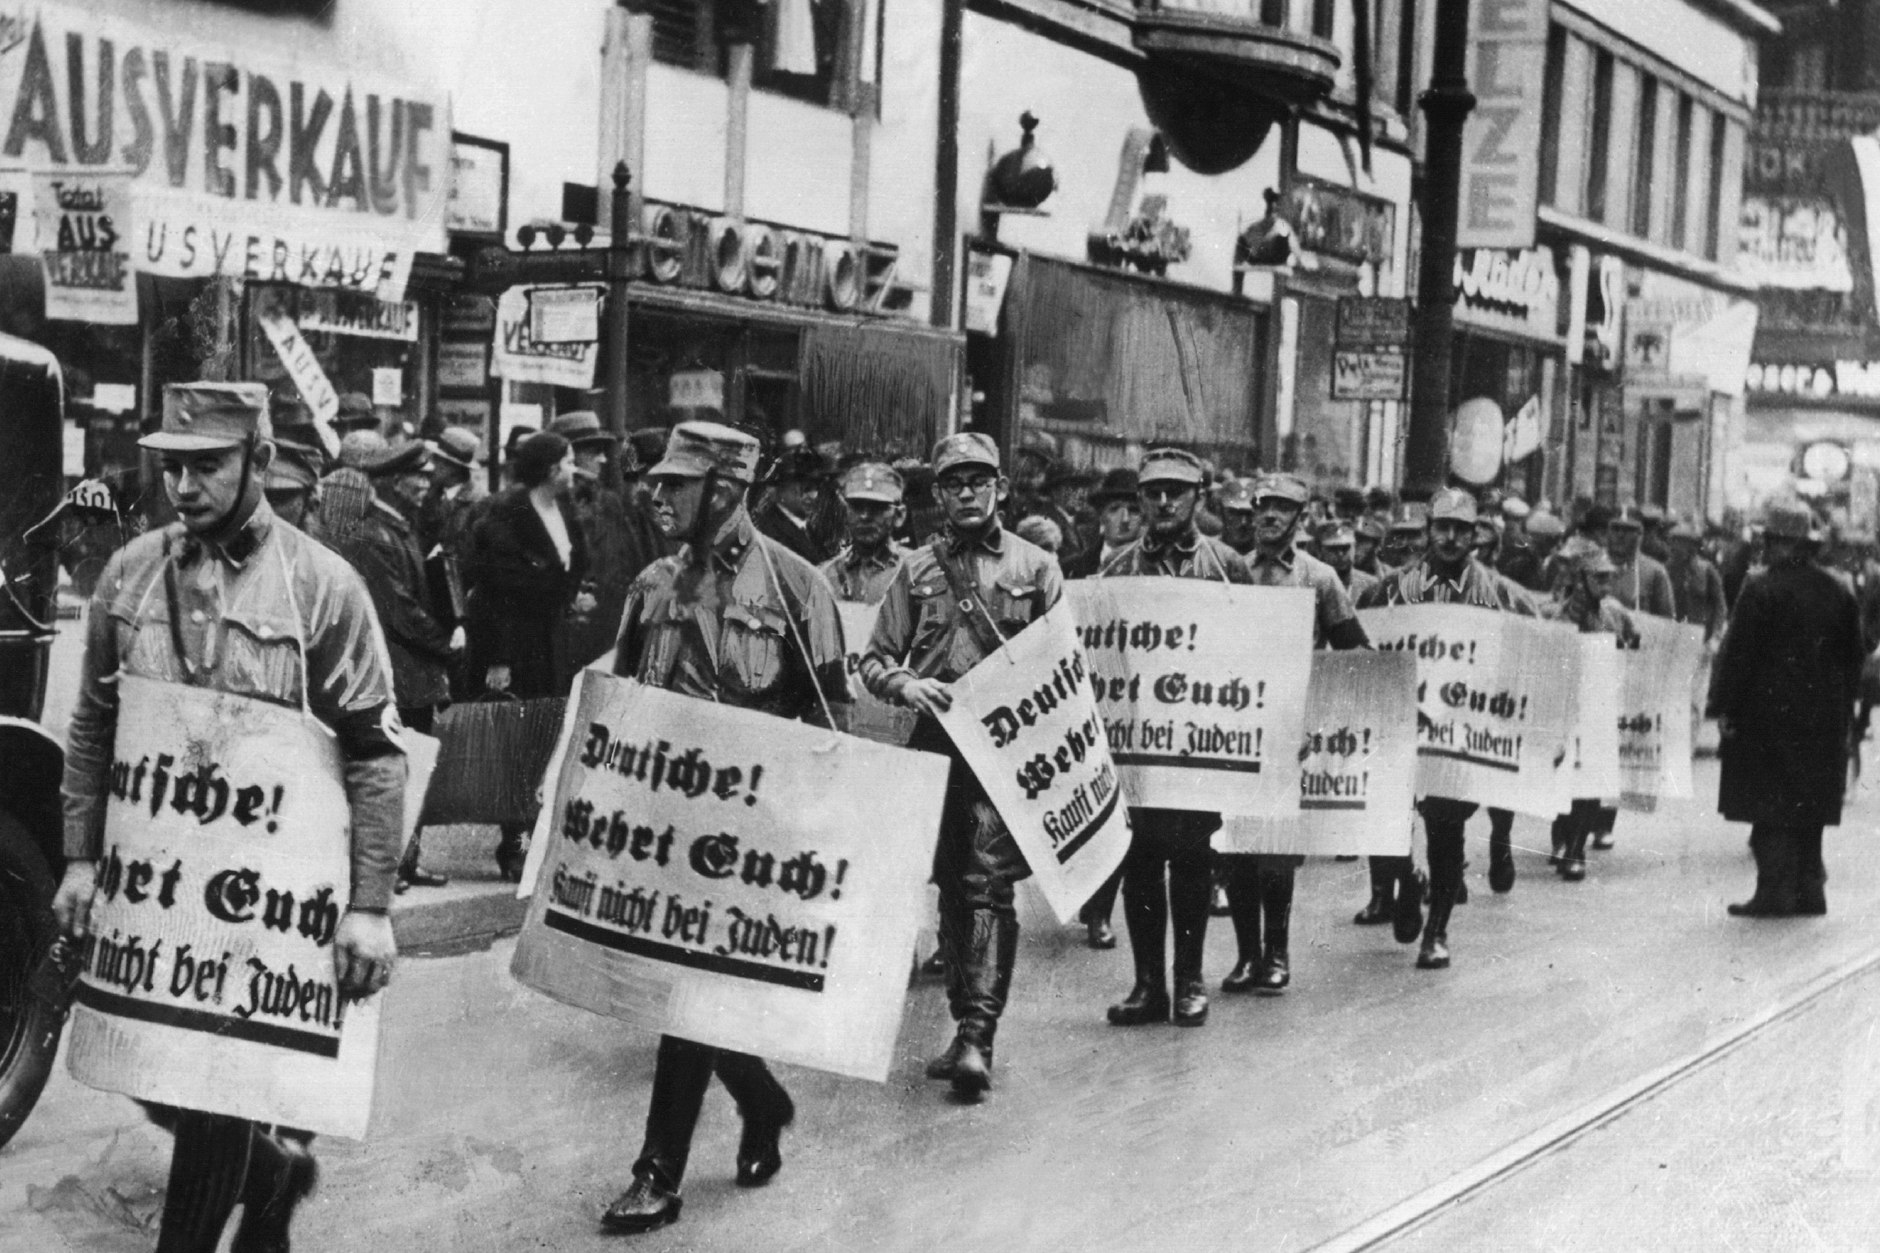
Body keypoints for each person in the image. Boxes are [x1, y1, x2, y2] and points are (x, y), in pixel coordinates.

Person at [52, 382, 403, 1253]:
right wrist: (79, 858)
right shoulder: (130, 573)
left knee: (214, 1087)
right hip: (158, 886)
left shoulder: (324, 588)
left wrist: (370, 905)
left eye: (206, 464)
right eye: (172, 465)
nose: (183, 484)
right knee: (154, 1075)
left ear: (261, 460)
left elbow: (375, 752)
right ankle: (273, 1173)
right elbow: (94, 724)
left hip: (269, 896)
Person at [600, 421, 848, 1235]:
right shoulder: (652, 585)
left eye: (676, 484)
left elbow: (828, 722)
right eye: (658, 482)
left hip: (754, 837)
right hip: (668, 829)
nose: (656, 494)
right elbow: (622, 697)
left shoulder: (797, 588)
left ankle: (658, 1172)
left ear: (728, 491)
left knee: (693, 991)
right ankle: (763, 1099)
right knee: (688, 988)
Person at [860, 433, 1062, 1098]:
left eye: (979, 480)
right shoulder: (914, 571)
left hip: (1004, 750)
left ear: (1001, 487)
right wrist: (904, 684)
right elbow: (873, 659)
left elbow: (1065, 667)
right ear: (939, 495)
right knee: (947, 882)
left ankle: (978, 1034)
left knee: (985, 883)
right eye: (954, 483)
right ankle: (963, 1025)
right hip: (934, 744)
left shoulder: (1037, 568)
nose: (968, 492)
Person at [1091, 450, 1251, 1028]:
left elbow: (1258, 654)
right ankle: (1147, 984)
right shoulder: (1116, 573)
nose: (1163, 502)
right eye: (1153, 492)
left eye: (1176, 492)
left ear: (1198, 497)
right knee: (1138, 862)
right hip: (1138, 743)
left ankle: (1189, 980)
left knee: (1190, 861)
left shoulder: (1227, 565)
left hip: (1199, 743)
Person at [1357, 488, 1538, 969]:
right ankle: (1404, 881)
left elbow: (1536, 645)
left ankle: (1436, 930)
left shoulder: (1499, 594)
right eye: (1443, 527)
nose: (1452, 537)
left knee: (1445, 830)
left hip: (1460, 734)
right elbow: (1361, 642)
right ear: (1428, 530)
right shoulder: (1393, 589)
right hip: (1401, 726)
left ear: (1476, 534)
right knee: (1389, 822)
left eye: (1461, 528)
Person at [1220, 473, 1368, 993]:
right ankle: (1244, 956)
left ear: (1299, 519)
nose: (1268, 517)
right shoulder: (1227, 569)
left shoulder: (1319, 578)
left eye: (1282, 509)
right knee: (1234, 850)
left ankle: (1277, 953)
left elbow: (1353, 651)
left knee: (1276, 855)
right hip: (1232, 727)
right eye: (1262, 507)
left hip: (1291, 731)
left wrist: (1331, 716)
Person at [1707, 501, 1864, 917]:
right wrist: (1842, 707)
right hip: (1823, 721)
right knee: (1809, 810)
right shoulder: (1839, 589)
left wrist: (1725, 708)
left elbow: (1740, 655)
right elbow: (1855, 656)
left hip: (1767, 720)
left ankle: (1774, 892)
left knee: (1770, 810)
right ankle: (1811, 891)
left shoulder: (1761, 589)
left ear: (1778, 542)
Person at [468, 432, 593, 879]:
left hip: (553, 640)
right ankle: (515, 843)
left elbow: (573, 566)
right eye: (568, 461)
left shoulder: (564, 511)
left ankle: (540, 837)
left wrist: (571, 596)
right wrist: (498, 660)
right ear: (548, 468)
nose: (574, 469)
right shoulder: (507, 514)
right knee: (518, 744)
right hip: (515, 642)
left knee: (548, 740)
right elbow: (496, 591)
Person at [350, 440, 462, 892]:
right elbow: (398, 610)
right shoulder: (374, 536)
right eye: (418, 477)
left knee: (412, 766)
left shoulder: (393, 529)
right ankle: (391, 866)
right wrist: (447, 644)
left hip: (411, 672)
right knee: (396, 770)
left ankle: (405, 861)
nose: (425, 485)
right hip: (399, 672)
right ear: (396, 482)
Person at [1541, 538, 1639, 881]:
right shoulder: (1556, 614)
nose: (1606, 585)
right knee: (1563, 777)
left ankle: (1577, 849)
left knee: (1592, 778)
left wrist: (1626, 646)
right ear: (1581, 579)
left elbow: (1635, 640)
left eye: (1608, 578)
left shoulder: (1614, 613)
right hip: (1564, 706)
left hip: (1598, 706)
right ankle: (1562, 838)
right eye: (1598, 578)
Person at [549, 410, 665, 671]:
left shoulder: (610, 502)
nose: (602, 460)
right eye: (592, 452)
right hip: (570, 630)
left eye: (603, 451)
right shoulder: (555, 504)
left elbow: (631, 563)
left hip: (608, 632)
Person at [820, 462, 909, 604]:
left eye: (877, 507)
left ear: (899, 515)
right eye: (856, 507)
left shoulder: (913, 570)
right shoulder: (826, 576)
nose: (865, 516)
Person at [754, 444, 838, 565]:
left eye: (815, 487)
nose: (813, 496)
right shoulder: (768, 531)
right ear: (779, 489)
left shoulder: (808, 530)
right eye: (803, 489)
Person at [1062, 468, 1142, 579]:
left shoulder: (1157, 568)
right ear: (1101, 515)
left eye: (1134, 510)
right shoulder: (1070, 568)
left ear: (1143, 516)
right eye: (1114, 509)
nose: (1125, 519)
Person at [1605, 507, 1676, 620]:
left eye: (1628, 530)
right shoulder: (1592, 567)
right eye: (1615, 528)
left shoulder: (1655, 572)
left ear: (1640, 534)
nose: (1620, 535)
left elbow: (1666, 622)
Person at [1317, 520, 1377, 601]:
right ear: (1321, 551)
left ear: (1354, 548)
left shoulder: (1370, 585)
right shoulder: (1313, 584)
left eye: (1345, 548)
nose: (1340, 554)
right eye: (1333, 549)